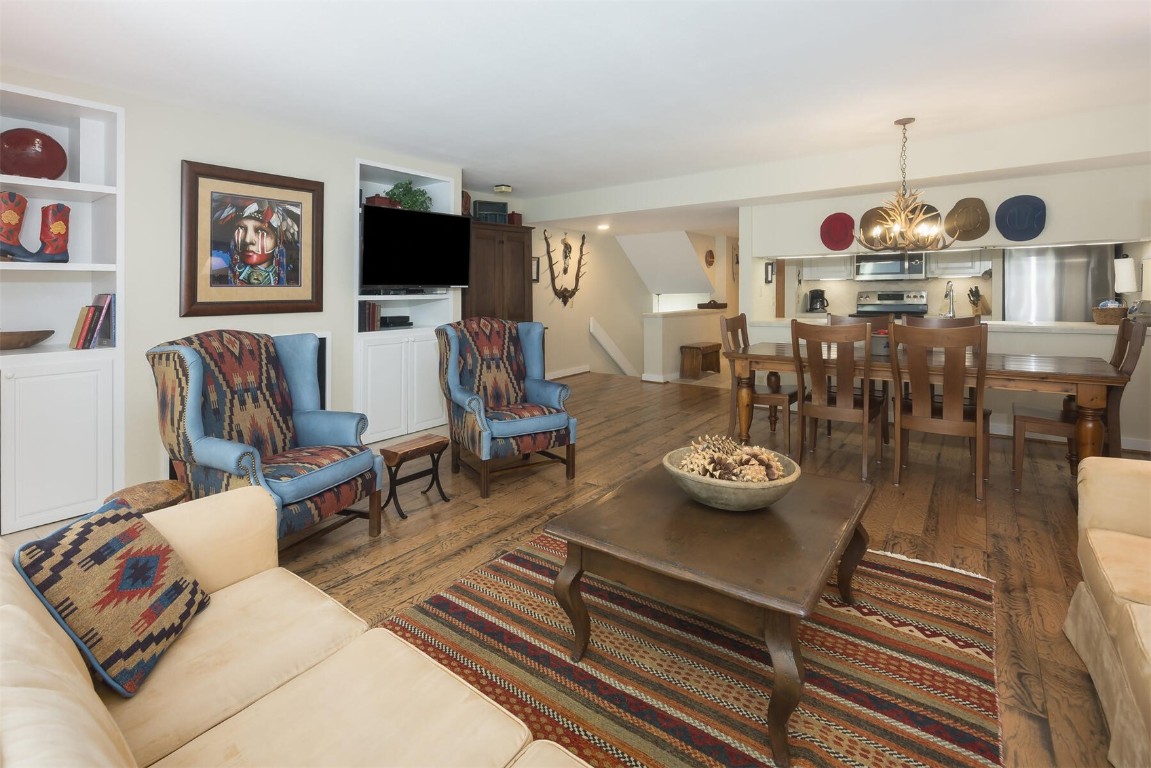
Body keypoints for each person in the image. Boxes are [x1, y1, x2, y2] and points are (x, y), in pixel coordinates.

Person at [209, 196, 301, 286]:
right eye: (241, 228)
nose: (248, 240)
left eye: (260, 230)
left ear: (278, 240)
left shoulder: (296, 280)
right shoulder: (217, 275)